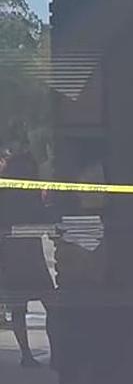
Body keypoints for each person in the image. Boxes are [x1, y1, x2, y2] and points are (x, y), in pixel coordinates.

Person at [0, 148, 56, 367]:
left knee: (19, 307)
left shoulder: (7, 193)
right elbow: (42, 219)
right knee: (51, 304)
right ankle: (54, 352)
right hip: (27, 255)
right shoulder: (28, 194)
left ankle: (26, 353)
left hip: (13, 256)